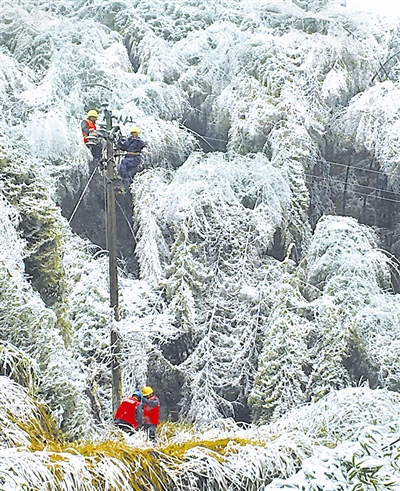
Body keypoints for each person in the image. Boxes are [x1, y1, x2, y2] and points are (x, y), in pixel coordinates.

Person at [117, 126, 147, 192]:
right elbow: (123, 147)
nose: (134, 134)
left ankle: (122, 176)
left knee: (124, 162)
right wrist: (119, 141)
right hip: (129, 157)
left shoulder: (139, 141)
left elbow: (144, 146)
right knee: (128, 174)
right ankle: (125, 188)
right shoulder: (128, 140)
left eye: (135, 133)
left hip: (135, 159)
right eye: (133, 133)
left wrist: (135, 152)